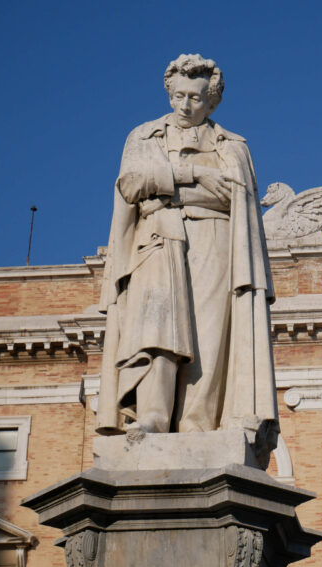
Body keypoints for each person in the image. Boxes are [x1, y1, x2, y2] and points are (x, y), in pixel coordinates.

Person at [96, 54, 277, 447]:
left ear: (211, 102)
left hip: (216, 239)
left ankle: (198, 425)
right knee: (155, 330)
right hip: (157, 240)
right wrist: (193, 173)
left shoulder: (233, 145)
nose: (184, 105)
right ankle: (153, 417)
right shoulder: (143, 136)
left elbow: (234, 194)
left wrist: (164, 185)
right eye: (177, 96)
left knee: (209, 334)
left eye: (195, 98)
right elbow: (130, 186)